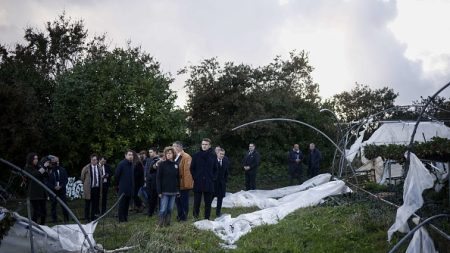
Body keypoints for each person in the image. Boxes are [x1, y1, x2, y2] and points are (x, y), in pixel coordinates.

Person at [190, 138, 217, 220]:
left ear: (209, 146)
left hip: (209, 182)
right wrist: (195, 178)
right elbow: (192, 168)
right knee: (196, 202)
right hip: (198, 182)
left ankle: (207, 218)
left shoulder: (213, 156)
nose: (204, 146)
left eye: (206, 144)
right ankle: (195, 217)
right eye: (203, 144)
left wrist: (213, 178)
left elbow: (216, 169)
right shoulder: (196, 155)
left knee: (208, 202)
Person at [156, 146, 180, 227]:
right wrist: (159, 191)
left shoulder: (176, 165)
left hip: (173, 191)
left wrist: (178, 190)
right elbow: (158, 178)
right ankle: (160, 224)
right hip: (164, 191)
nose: (168, 155)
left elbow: (177, 178)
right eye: (167, 153)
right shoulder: (162, 164)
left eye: (170, 153)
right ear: (165, 155)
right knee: (163, 209)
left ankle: (167, 223)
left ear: (173, 154)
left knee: (170, 209)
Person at [24, 153, 48, 225]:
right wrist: (43, 167)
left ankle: (42, 226)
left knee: (44, 211)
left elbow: (45, 175)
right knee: (36, 211)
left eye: (37, 158)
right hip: (34, 193)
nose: (36, 160)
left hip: (42, 192)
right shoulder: (27, 168)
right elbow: (35, 175)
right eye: (35, 159)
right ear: (31, 159)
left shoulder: (38, 167)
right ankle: (34, 227)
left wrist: (46, 168)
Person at [172, 141, 193, 222]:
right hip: (176, 183)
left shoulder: (186, 157)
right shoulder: (175, 156)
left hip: (183, 183)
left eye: (174, 146)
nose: (172, 148)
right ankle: (180, 215)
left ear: (179, 147)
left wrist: (186, 185)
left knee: (183, 201)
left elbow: (187, 173)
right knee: (178, 201)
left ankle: (184, 217)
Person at [47, 155, 69, 223]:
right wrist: (54, 187)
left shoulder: (63, 170)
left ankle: (66, 218)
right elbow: (47, 182)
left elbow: (66, 180)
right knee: (53, 205)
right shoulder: (49, 171)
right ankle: (54, 219)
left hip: (62, 191)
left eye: (58, 161)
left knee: (64, 205)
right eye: (55, 161)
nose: (57, 163)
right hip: (53, 191)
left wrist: (61, 186)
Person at [81, 154, 102, 221]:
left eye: (95, 160)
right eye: (92, 160)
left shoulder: (99, 167)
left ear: (97, 160)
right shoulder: (86, 168)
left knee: (95, 204)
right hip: (89, 189)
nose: (93, 161)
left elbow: (100, 177)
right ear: (90, 160)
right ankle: (86, 218)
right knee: (87, 204)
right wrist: (86, 184)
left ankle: (93, 217)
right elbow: (82, 177)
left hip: (96, 188)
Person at [115, 150, 135, 222]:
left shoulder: (131, 164)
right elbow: (117, 175)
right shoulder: (121, 164)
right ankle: (121, 219)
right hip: (123, 188)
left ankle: (125, 217)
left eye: (132, 155)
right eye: (129, 155)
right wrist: (118, 185)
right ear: (125, 155)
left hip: (129, 188)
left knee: (127, 204)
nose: (131, 156)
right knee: (122, 204)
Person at [214, 148, 229, 218]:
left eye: (223, 154)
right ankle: (206, 212)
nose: (222, 155)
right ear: (217, 153)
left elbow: (226, 172)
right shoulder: (213, 161)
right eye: (220, 154)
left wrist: (225, 181)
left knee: (220, 199)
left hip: (221, 183)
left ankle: (218, 212)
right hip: (213, 183)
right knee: (210, 198)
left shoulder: (225, 161)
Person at [145, 147, 160, 216]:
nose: (149, 153)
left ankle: (158, 211)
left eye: (151, 152)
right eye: (149, 152)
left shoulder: (159, 160)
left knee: (157, 197)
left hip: (156, 181)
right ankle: (150, 212)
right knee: (150, 197)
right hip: (149, 182)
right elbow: (146, 170)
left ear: (155, 152)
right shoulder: (148, 160)